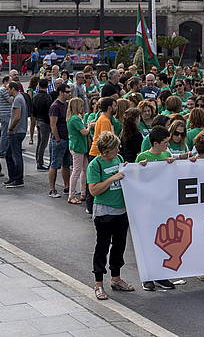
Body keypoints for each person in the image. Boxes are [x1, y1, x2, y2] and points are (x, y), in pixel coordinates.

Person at [88, 131, 136, 300]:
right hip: (104, 212)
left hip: (121, 211)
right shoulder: (95, 165)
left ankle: (116, 278)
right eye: (115, 148)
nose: (118, 149)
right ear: (105, 150)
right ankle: (98, 284)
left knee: (119, 246)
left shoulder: (119, 159)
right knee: (102, 247)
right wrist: (111, 179)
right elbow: (93, 190)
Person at [48, 84, 73, 198]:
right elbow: (53, 125)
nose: (69, 94)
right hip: (59, 139)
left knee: (66, 164)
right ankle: (52, 189)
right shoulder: (55, 106)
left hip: (67, 138)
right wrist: (57, 139)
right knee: (55, 164)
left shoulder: (67, 104)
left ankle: (67, 187)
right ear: (61, 92)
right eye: (67, 92)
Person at [67, 97, 92, 204]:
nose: (83, 108)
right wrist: (90, 126)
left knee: (84, 170)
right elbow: (84, 132)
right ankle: (71, 195)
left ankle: (83, 193)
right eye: (81, 106)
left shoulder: (73, 117)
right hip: (78, 147)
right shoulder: (75, 119)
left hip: (78, 146)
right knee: (77, 171)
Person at [5, 82, 28, 188]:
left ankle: (18, 179)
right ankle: (13, 177)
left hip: (16, 132)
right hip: (18, 131)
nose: (7, 91)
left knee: (15, 155)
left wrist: (10, 128)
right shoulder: (20, 97)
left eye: (8, 89)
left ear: (13, 89)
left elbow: (17, 116)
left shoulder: (18, 99)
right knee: (9, 155)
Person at [0, 76, 12, 158]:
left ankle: (2, 150)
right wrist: (15, 94)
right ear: (5, 82)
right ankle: (2, 152)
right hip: (6, 114)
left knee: (3, 133)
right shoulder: (4, 90)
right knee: (5, 134)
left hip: (4, 113)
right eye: (10, 82)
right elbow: (10, 100)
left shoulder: (0, 89)